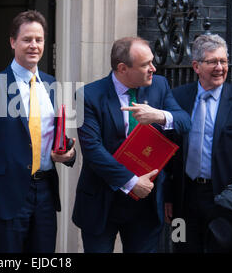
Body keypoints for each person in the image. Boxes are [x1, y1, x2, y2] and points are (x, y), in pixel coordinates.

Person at [72, 36, 191, 253]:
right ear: (122, 68)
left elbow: (185, 122)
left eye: (152, 62)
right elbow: (92, 150)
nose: (153, 69)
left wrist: (159, 115)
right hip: (102, 200)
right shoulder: (87, 96)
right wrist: (131, 182)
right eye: (145, 64)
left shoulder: (160, 86)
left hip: (146, 204)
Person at [0, 10, 76, 252]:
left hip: (46, 194)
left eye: (39, 40)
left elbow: (54, 134)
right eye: (27, 39)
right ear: (12, 42)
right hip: (8, 196)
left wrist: (69, 153)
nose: (34, 46)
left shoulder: (51, 84)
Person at [164, 34, 232, 253]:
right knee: (182, 246)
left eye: (223, 61)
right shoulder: (176, 98)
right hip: (184, 198)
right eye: (212, 61)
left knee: (222, 249)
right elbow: (167, 149)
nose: (220, 67)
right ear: (196, 66)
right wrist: (168, 196)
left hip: (226, 198)